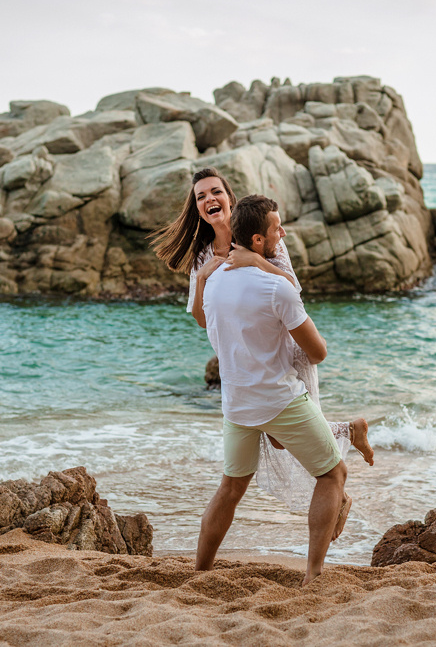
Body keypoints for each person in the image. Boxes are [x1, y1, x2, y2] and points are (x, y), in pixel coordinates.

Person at [150, 168, 374, 524]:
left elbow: (291, 289)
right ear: (197, 209)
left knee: (287, 438)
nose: (209, 199)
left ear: (229, 197)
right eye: (200, 197)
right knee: (282, 440)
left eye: (215, 192)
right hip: (241, 356)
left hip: (279, 347)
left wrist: (255, 261)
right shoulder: (202, 254)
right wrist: (205, 275)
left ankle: (339, 489)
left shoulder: (262, 239)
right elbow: (201, 318)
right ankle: (347, 440)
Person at [194, 194, 346, 585]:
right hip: (278, 400)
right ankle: (313, 575)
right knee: (333, 475)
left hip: (236, 405)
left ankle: (200, 573)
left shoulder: (211, 283)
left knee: (229, 489)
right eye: (277, 227)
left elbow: (212, 330)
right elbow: (318, 352)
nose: (283, 233)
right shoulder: (276, 288)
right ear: (259, 240)